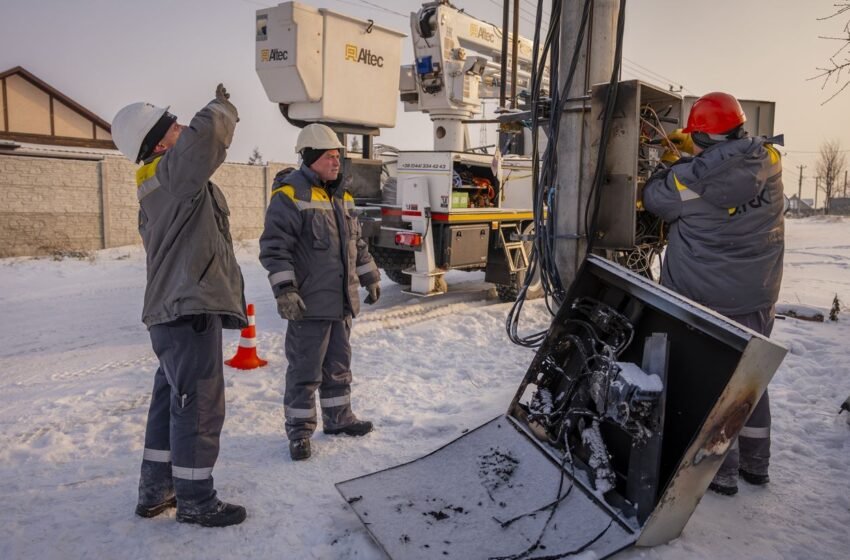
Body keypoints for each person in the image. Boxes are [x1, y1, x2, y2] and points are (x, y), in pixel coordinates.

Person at [111, 84, 248, 526]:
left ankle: (157, 491)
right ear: (158, 144)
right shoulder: (172, 175)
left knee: (174, 399)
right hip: (189, 310)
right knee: (200, 405)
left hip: (172, 312)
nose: (183, 127)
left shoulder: (159, 182)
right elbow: (206, 137)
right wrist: (222, 106)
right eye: (173, 126)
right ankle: (196, 499)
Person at [642, 92, 785, 496]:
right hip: (758, 294)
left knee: (711, 381)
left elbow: (656, 198)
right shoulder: (770, 161)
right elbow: (727, 173)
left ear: (701, 136)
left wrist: (672, 165)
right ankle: (756, 464)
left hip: (704, 298)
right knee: (750, 375)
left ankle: (720, 471)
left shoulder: (689, 182)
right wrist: (699, 160)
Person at [259, 123, 381, 461]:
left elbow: (357, 243)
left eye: (338, 156)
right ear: (311, 158)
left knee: (338, 367)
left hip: (341, 303)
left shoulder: (343, 196)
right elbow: (274, 248)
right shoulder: (290, 196)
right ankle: (299, 433)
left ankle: (339, 419)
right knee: (305, 371)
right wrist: (285, 290)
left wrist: (369, 276)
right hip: (309, 306)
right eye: (329, 156)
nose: (336, 162)